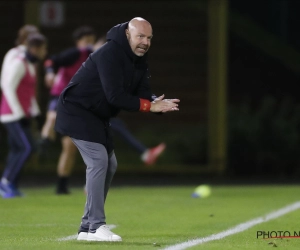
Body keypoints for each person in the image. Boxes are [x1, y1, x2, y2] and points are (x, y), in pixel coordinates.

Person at [55, 17, 179, 241]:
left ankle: (86, 228)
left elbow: (143, 91)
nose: (145, 42)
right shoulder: (109, 53)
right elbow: (115, 96)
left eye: (149, 38)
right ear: (127, 35)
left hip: (97, 115)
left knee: (110, 164)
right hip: (76, 111)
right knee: (99, 161)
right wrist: (148, 106)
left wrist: (155, 102)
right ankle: (96, 226)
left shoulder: (139, 57)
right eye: (140, 36)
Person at [39, 26, 96, 194]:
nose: (89, 45)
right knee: (51, 117)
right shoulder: (74, 54)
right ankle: (44, 141)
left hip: (74, 102)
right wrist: (49, 73)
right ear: (78, 42)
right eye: (86, 41)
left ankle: (62, 185)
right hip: (59, 95)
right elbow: (51, 61)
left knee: (70, 147)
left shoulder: (92, 58)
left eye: (91, 42)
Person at [94, 37, 167, 166]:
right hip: (83, 114)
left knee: (115, 128)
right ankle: (145, 153)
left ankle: (145, 153)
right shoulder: (93, 65)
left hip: (93, 113)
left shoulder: (108, 67)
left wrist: (152, 100)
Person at [0, 33, 47, 198]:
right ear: (34, 49)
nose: (44, 52)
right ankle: (5, 182)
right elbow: (8, 88)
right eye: (42, 49)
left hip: (22, 114)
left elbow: (28, 93)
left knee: (21, 149)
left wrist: (35, 114)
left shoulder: (30, 65)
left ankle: (11, 184)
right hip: (11, 115)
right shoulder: (19, 64)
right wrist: (19, 114)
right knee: (25, 148)